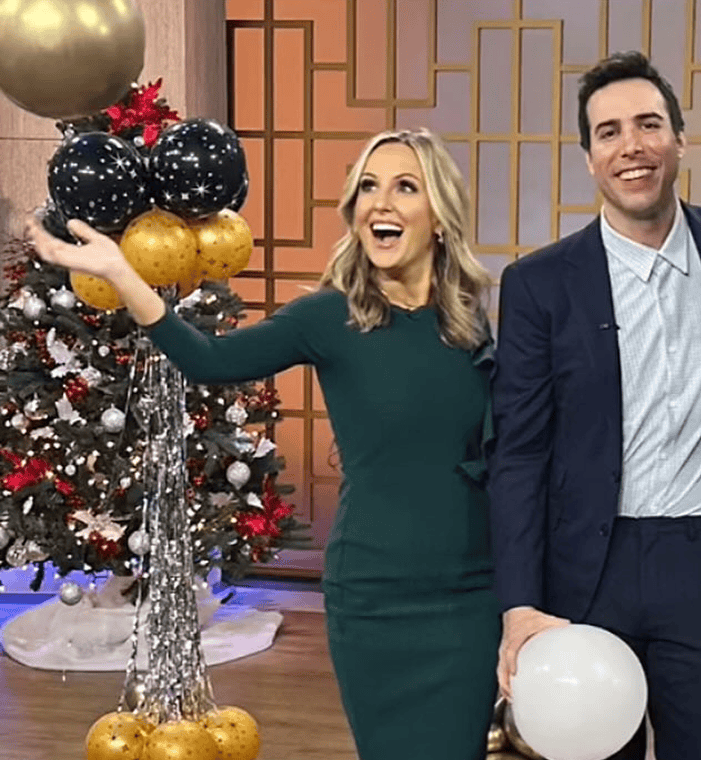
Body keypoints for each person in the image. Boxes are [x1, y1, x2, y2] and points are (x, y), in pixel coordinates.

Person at [27, 128, 500, 760]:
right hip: (374, 596)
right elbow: (207, 358)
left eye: (405, 187)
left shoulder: (479, 322)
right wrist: (121, 271)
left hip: (470, 598)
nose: (380, 203)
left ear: (440, 215)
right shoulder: (328, 318)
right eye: (368, 187)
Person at [489, 51, 701, 760]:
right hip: (586, 566)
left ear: (679, 139)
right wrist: (520, 602)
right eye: (609, 132)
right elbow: (518, 453)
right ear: (589, 158)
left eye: (649, 125)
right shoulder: (539, 283)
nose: (632, 147)